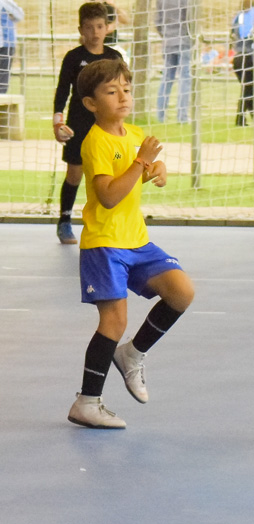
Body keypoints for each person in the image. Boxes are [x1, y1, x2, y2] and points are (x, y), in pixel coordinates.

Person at [66, 59, 194, 429]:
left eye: (126, 88)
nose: (122, 96)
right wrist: (141, 163)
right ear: (91, 103)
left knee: (181, 292)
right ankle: (87, 402)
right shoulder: (95, 142)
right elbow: (108, 196)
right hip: (105, 244)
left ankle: (132, 355)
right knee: (114, 320)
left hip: (136, 240)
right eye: (111, 91)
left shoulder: (134, 132)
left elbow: (151, 166)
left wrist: (158, 168)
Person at [52, 2, 124, 245]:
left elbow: (122, 89)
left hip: (107, 126)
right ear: (80, 29)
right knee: (75, 173)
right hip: (78, 124)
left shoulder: (114, 57)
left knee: (111, 172)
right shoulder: (74, 58)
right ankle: (64, 221)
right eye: (89, 27)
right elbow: (62, 91)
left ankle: (112, 222)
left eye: (100, 27)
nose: (95, 33)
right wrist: (57, 121)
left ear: (108, 28)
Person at [154, 0, 195, 123]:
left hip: (168, 41)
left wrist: (166, 35)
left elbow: (158, 21)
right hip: (184, 40)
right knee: (185, 77)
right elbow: (191, 19)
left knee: (167, 77)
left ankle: (160, 115)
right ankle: (182, 116)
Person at [230, 0, 254, 127]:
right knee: (249, 88)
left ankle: (251, 117)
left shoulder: (238, 16)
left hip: (238, 57)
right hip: (249, 55)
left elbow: (233, 35)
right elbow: (249, 35)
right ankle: (240, 118)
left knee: (248, 88)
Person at [0, 0, 21, 94]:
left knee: (2, 80)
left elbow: (19, 15)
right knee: (2, 80)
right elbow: (19, 15)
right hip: (6, 43)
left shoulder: (5, 2)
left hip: (5, 44)